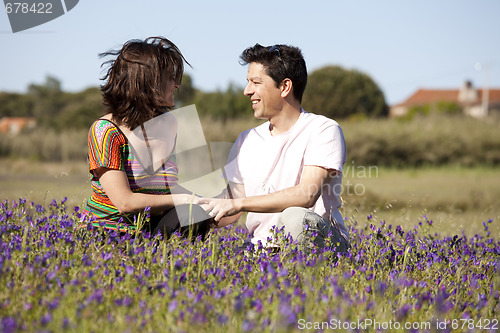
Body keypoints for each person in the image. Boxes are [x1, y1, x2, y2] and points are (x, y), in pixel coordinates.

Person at [197, 43, 350, 253]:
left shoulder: (323, 129)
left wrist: (239, 204)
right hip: (261, 249)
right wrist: (192, 213)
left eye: (256, 82)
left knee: (296, 219)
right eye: (247, 82)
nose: (247, 91)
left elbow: (306, 195)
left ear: (285, 87)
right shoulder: (246, 140)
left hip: (322, 245)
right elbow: (232, 206)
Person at [82, 37, 211, 240]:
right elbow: (125, 202)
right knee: (189, 207)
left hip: (151, 228)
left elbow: (166, 187)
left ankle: (173, 269)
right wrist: (185, 199)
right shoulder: (106, 131)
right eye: (170, 77)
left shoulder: (170, 124)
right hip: (110, 232)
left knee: (195, 214)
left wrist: (208, 202)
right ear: (147, 81)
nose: (176, 85)